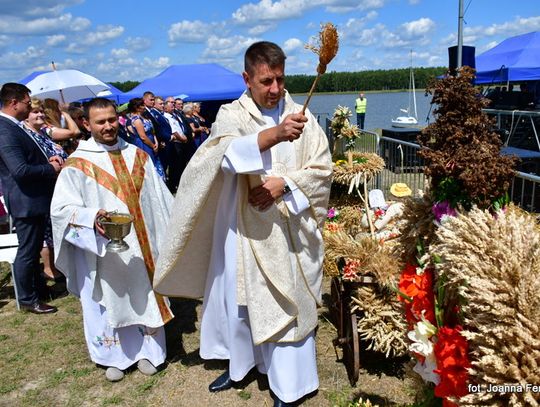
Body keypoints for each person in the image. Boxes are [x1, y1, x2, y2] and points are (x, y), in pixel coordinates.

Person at [154, 41, 332, 406]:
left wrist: (285, 185)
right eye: (266, 81)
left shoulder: (304, 115)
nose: (275, 89)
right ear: (247, 78)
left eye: (280, 80)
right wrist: (275, 135)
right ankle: (242, 364)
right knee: (240, 301)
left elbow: (323, 169)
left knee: (287, 303)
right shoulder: (232, 115)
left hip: (289, 229)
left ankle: (289, 383)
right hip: (241, 226)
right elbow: (223, 155)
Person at [50, 98, 174, 382]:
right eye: (100, 122)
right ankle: (114, 357)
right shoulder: (78, 164)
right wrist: (91, 217)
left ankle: (148, 352)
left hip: (141, 249)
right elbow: (60, 211)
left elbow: (160, 201)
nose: (108, 126)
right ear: (86, 124)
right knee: (107, 298)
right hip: (101, 250)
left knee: (142, 295)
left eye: (111, 120)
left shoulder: (137, 155)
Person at [0, 83, 61, 314]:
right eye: (27, 102)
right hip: (25, 200)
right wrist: (49, 167)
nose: (29, 106)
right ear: (14, 102)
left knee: (33, 247)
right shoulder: (5, 129)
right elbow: (20, 170)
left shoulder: (13, 126)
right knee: (28, 251)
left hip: (33, 198)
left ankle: (36, 290)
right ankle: (28, 299)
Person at [22, 98, 68, 282]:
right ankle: (49, 269)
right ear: (26, 117)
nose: (40, 114)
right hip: (44, 187)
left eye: (41, 111)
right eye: (35, 112)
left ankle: (58, 265)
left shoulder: (43, 133)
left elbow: (73, 132)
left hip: (57, 186)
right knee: (46, 232)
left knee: (54, 226)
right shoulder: (28, 136)